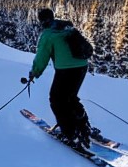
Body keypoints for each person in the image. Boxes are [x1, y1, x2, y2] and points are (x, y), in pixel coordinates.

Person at [28, 8, 92, 149]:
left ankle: (70, 134)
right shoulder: (66, 27)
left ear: (41, 21)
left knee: (57, 100)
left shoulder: (48, 35)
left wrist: (34, 73)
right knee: (70, 98)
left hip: (66, 70)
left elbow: (41, 58)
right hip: (82, 66)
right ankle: (83, 128)